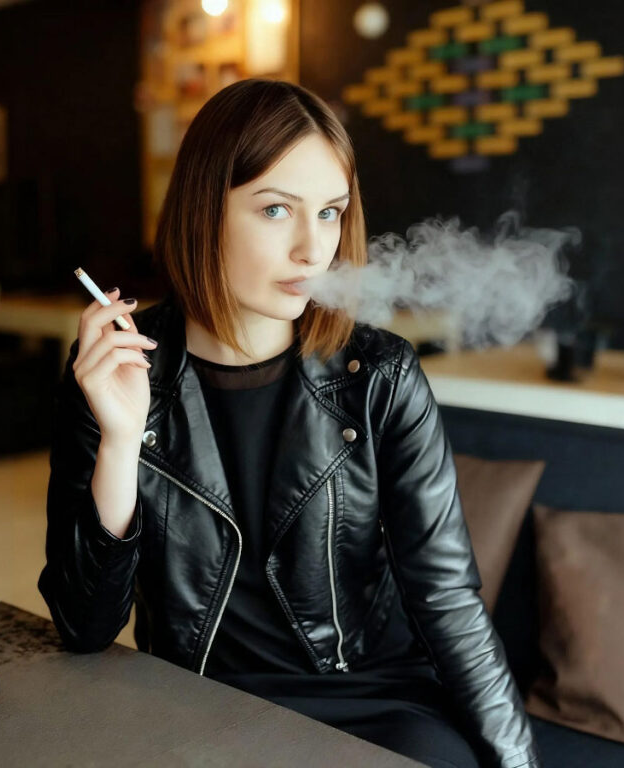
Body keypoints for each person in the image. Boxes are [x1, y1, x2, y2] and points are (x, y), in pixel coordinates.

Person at [39, 79, 539, 768]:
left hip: (369, 698)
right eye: (276, 209)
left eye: (330, 213)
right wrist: (122, 440)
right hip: (202, 703)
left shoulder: (381, 375)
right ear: (202, 210)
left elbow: (446, 597)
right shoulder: (117, 369)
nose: (313, 250)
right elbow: (83, 629)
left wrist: (515, 762)